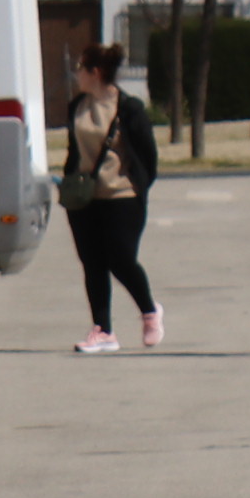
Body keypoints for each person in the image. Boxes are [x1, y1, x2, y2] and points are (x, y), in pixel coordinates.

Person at [61, 48, 162, 352]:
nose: (76, 74)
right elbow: (74, 150)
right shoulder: (77, 106)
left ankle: (150, 311)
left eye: (80, 68)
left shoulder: (128, 108)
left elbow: (148, 155)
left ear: (96, 73)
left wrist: (139, 185)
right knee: (92, 263)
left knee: (121, 259)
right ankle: (103, 331)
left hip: (122, 194)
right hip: (84, 195)